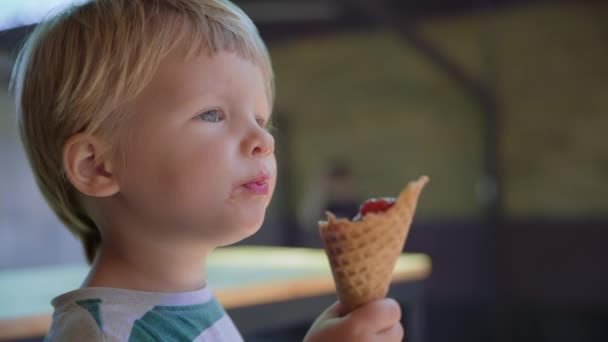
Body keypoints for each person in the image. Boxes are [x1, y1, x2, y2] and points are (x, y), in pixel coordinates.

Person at [10, 0, 404, 341]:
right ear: (96, 166)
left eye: (261, 120)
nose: (263, 141)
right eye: (213, 114)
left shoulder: (182, 304)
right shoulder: (103, 334)